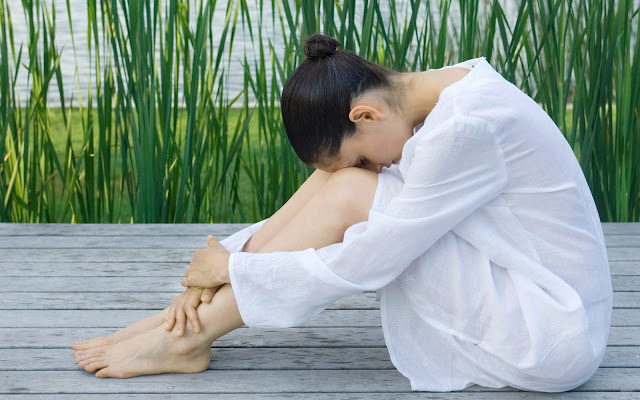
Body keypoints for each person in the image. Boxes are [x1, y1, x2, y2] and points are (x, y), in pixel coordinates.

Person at [72, 33, 612, 392]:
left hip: (546, 329)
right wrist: (224, 265)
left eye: (358, 149)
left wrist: (235, 269)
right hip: (519, 286)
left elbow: (373, 257)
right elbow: (334, 197)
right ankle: (186, 322)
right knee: (345, 182)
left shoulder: (466, 127)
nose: (368, 166)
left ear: (365, 113)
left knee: (353, 189)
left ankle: (188, 335)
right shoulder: (438, 90)